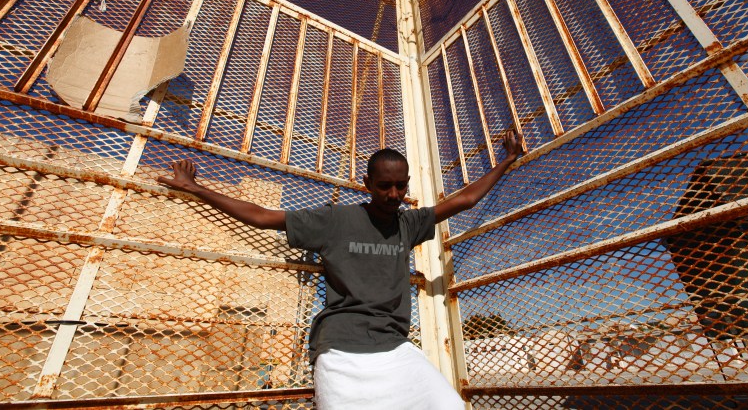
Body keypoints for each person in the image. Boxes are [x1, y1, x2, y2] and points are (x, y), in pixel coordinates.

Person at [158, 130, 523, 409]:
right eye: (384, 186)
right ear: (367, 185)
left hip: (395, 349)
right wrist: (197, 188)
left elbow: (466, 198)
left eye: (401, 186)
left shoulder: (408, 225)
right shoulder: (334, 220)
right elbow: (262, 216)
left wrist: (507, 160)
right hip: (340, 350)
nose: (394, 194)